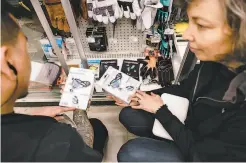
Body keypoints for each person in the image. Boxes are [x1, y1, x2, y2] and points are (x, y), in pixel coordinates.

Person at [111, 0, 246, 161]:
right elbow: (185, 89)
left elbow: (198, 155)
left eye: (201, 25)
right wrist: (140, 95)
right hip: (192, 125)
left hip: (199, 153)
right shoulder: (216, 59)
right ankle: (162, 142)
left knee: (131, 153)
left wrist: (161, 112)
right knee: (128, 114)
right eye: (191, 22)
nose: (186, 34)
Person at [1, 1, 108, 161]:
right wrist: (79, 108)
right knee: (97, 130)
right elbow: (84, 151)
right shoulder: (54, 140)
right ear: (7, 60)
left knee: (97, 126)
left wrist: (32, 116)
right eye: (25, 44)